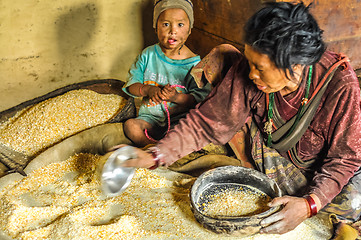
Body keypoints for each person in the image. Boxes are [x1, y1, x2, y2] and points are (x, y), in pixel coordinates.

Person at [116, 1, 361, 236]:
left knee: (348, 204)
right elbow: (207, 121)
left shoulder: (340, 85)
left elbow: (344, 159)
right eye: (250, 62)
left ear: (295, 67)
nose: (251, 74)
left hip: (320, 168)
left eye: (260, 68)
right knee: (220, 103)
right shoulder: (250, 72)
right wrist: (156, 155)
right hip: (269, 151)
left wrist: (309, 204)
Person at [122, 0, 211, 147]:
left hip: (179, 122)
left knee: (188, 136)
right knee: (130, 126)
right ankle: (151, 150)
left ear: (190, 29)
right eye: (165, 24)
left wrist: (176, 97)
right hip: (149, 119)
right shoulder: (148, 55)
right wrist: (148, 90)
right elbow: (131, 85)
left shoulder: (195, 65)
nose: (173, 31)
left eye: (180, 25)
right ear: (155, 27)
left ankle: (163, 151)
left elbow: (199, 100)